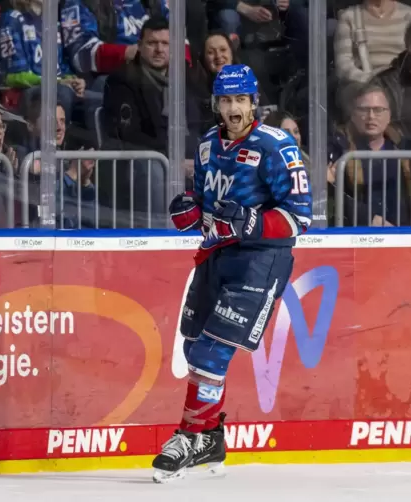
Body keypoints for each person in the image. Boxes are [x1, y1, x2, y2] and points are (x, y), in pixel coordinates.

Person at [155, 64, 312, 483]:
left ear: (253, 102)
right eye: (226, 100)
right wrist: (189, 210)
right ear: (216, 104)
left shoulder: (277, 146)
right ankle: (210, 437)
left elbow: (300, 217)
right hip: (215, 257)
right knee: (194, 349)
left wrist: (250, 224)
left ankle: (188, 437)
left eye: (240, 99)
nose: (233, 108)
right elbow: (204, 203)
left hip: (260, 260)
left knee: (211, 353)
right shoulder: (207, 146)